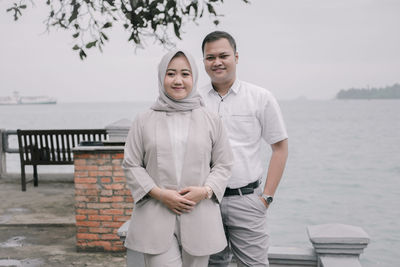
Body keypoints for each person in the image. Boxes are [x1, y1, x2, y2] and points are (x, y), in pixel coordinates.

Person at [122, 49, 233, 267]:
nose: (178, 80)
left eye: (185, 74)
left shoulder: (211, 120)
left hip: (199, 212)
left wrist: (205, 191)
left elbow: (223, 163)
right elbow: (132, 164)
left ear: (194, 78)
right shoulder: (144, 120)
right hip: (155, 212)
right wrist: (161, 194)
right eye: (171, 73)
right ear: (161, 76)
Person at [199, 31, 289, 267]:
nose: (217, 62)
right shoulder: (194, 100)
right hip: (205, 203)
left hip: (247, 200)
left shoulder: (261, 97)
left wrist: (266, 197)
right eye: (210, 57)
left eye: (223, 55)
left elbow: (280, 148)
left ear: (236, 57)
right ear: (204, 61)